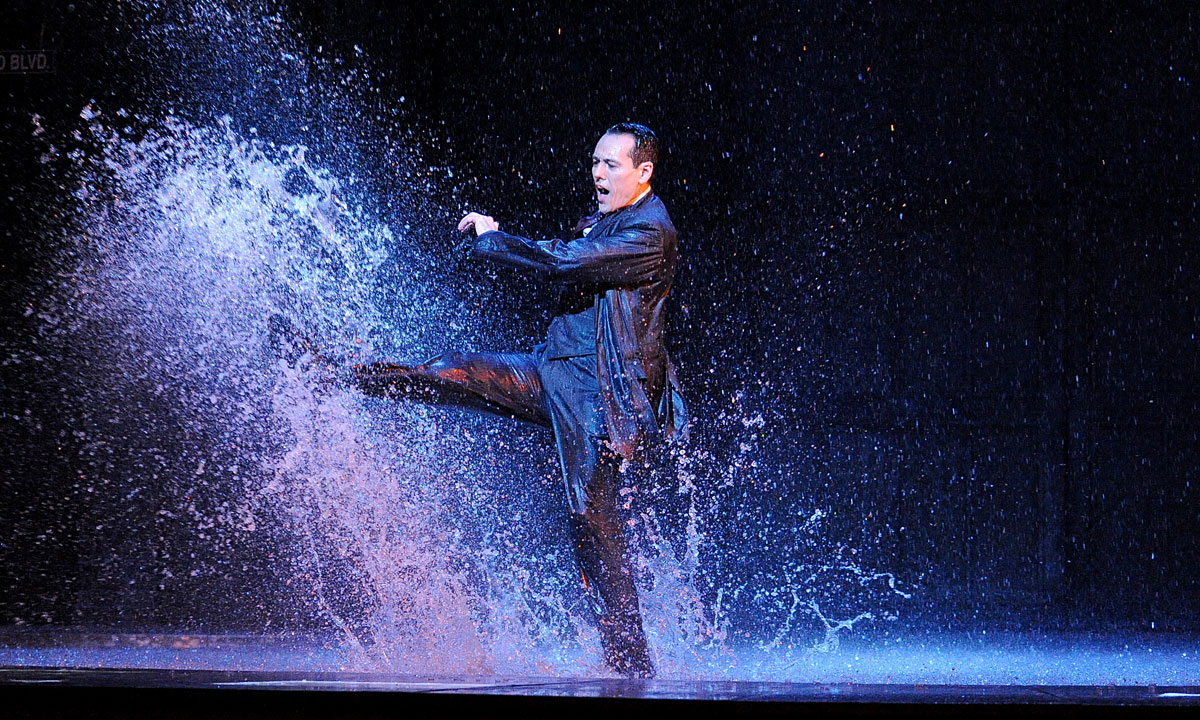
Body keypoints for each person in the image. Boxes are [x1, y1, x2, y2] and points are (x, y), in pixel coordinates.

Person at [352, 122, 687, 678]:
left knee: (590, 519)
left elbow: (561, 262)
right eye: (595, 163)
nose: (598, 175)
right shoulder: (609, 219)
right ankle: (345, 375)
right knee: (453, 371)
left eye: (611, 166)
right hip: (554, 372)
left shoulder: (651, 232)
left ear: (643, 171)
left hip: (595, 394)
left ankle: (632, 667)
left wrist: (494, 239)